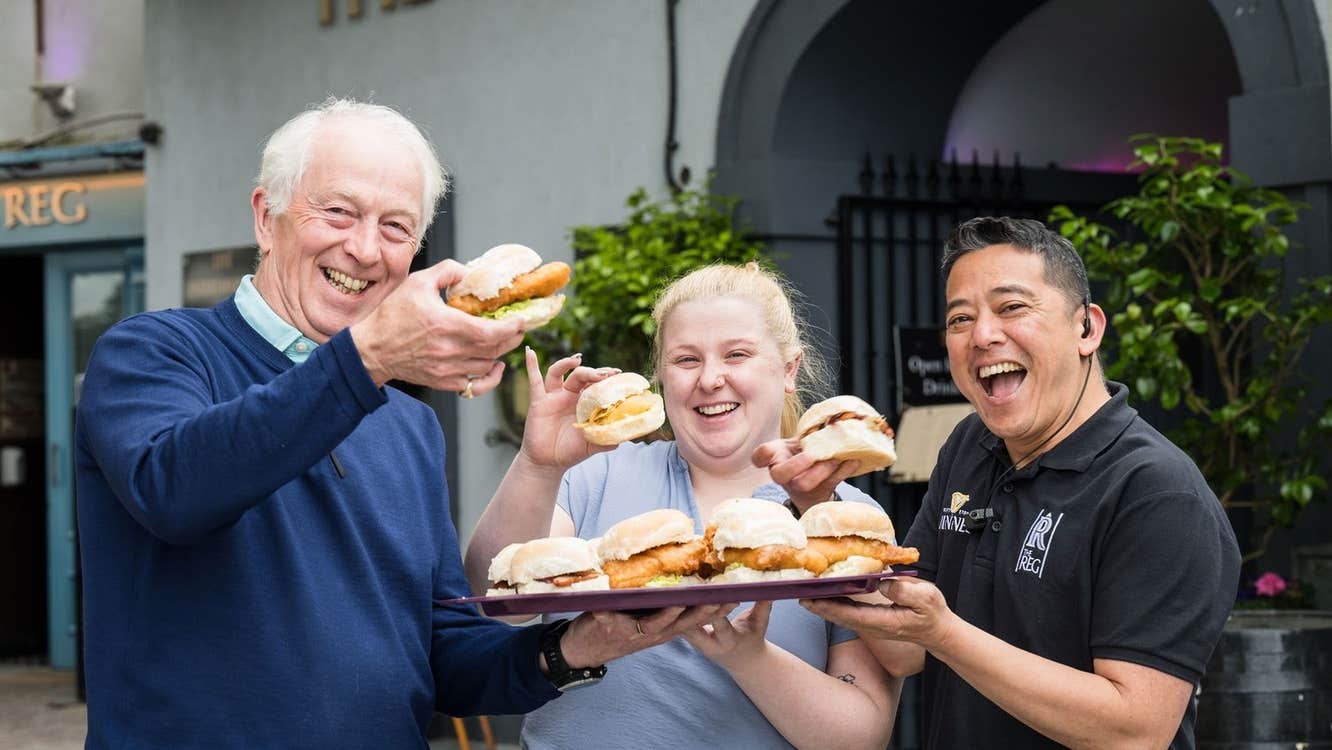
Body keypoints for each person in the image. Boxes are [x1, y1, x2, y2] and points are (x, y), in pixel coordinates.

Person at [74, 98, 725, 750]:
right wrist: (368, 357)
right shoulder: (151, 352)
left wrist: (579, 644)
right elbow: (175, 491)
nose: (363, 249)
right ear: (265, 218)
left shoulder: (409, 425)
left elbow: (445, 654)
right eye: (338, 212)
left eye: (395, 228)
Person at [798, 216, 1241, 749]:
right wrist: (818, 509)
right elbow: (906, 649)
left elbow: (1135, 732)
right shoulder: (970, 444)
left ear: (1087, 329)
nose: (982, 335)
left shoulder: (1157, 491)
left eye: (1012, 308)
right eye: (960, 318)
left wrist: (945, 633)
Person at [464, 262, 901, 750]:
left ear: (789, 369)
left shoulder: (840, 519)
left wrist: (747, 657)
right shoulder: (596, 475)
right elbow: (493, 602)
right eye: (686, 359)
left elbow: (862, 735)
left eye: (737, 354)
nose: (711, 379)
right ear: (661, 377)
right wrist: (538, 464)